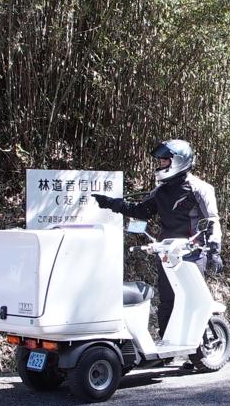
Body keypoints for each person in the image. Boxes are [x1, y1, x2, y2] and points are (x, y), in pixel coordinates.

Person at [93, 139, 222, 338]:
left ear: (178, 161)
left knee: (192, 299)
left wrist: (215, 249)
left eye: (164, 160)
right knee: (167, 300)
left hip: (192, 252)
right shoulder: (161, 190)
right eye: (160, 161)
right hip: (167, 252)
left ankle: (198, 345)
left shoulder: (199, 188)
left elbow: (212, 219)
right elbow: (142, 210)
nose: (160, 164)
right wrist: (111, 203)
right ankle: (167, 343)